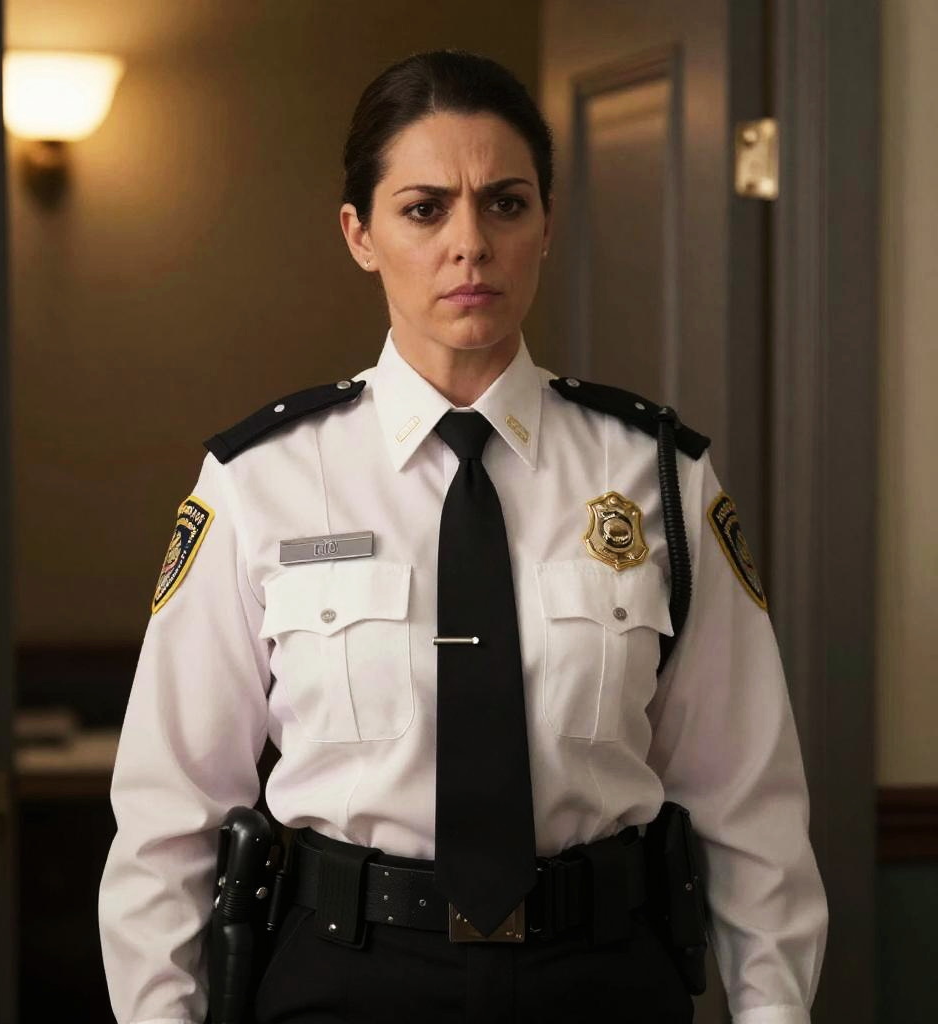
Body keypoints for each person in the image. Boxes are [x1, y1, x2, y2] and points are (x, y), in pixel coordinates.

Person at [98, 49, 827, 1024]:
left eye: (505, 204)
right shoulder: (261, 480)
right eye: (424, 207)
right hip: (346, 976)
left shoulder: (658, 473)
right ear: (359, 233)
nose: (470, 245)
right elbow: (167, 808)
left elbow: (751, 804)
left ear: (546, 226)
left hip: (601, 976)